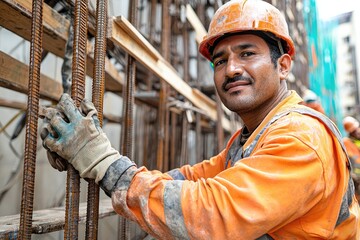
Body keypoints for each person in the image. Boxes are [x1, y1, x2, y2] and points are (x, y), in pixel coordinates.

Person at [40, 0, 360, 239]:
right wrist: (101, 161)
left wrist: (105, 164)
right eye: (220, 60)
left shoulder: (298, 137)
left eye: (247, 53)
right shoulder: (252, 137)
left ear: (284, 65)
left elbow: (214, 214)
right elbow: (194, 178)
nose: (231, 68)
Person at [343, 116, 360, 202]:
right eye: (354, 131)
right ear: (350, 132)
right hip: (356, 181)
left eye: (357, 128)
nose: (357, 131)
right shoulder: (347, 143)